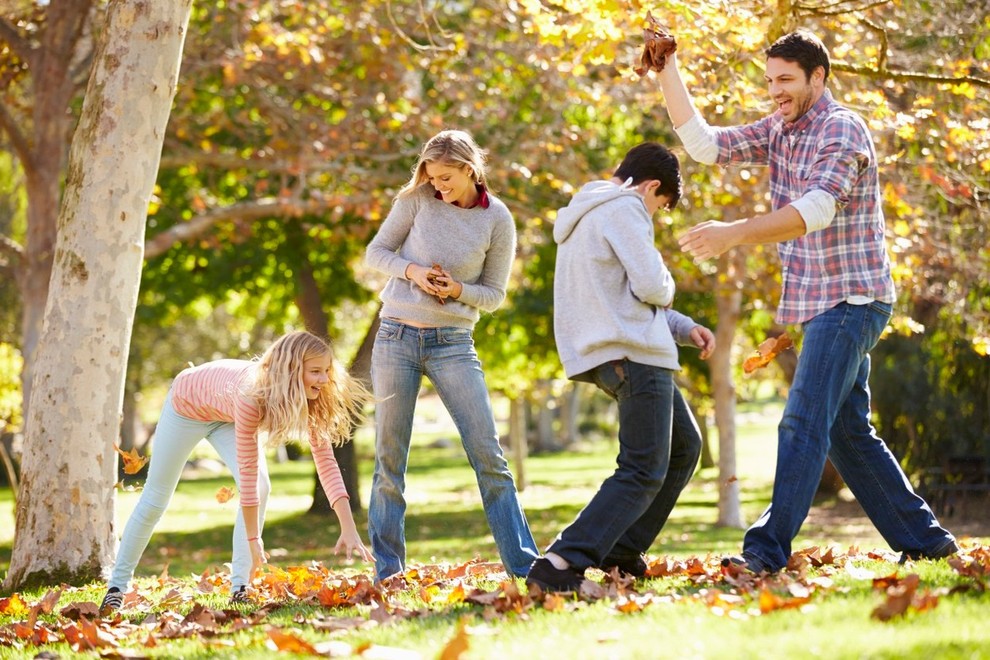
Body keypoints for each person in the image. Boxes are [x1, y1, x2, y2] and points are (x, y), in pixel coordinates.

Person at [652, 28, 957, 572]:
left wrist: (732, 233)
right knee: (846, 432)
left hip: (854, 298)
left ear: (819, 77)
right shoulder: (778, 129)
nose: (775, 91)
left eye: (786, 79)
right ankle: (927, 542)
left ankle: (764, 552)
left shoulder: (843, 130)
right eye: (770, 81)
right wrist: (666, 69)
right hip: (820, 304)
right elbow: (704, 145)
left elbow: (815, 209)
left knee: (801, 421)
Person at [526, 142, 716, 592]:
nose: (655, 215)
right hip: (634, 354)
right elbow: (653, 285)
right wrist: (667, 284)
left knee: (684, 447)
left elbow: (623, 295)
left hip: (615, 350)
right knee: (643, 467)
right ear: (650, 186)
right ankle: (560, 561)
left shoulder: (586, 214)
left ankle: (622, 552)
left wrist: (685, 328)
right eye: (660, 206)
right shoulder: (626, 208)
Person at [364, 129, 539, 582]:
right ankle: (388, 572)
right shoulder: (417, 200)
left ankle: (523, 566)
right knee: (389, 459)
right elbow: (376, 252)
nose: (438, 185)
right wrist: (414, 272)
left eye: (446, 177)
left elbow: (495, 295)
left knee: (488, 456)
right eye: (431, 176)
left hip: (453, 344)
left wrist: (458, 289)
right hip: (396, 336)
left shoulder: (497, 219)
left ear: (470, 170)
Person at [100, 331, 373, 611]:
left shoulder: (312, 398)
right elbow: (248, 471)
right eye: (315, 371)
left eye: (327, 371)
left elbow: (326, 462)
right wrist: (255, 540)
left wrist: (348, 528)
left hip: (225, 415)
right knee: (156, 499)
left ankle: (240, 586)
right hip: (187, 408)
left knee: (262, 486)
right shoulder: (251, 395)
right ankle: (117, 587)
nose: (324, 379)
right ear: (291, 371)